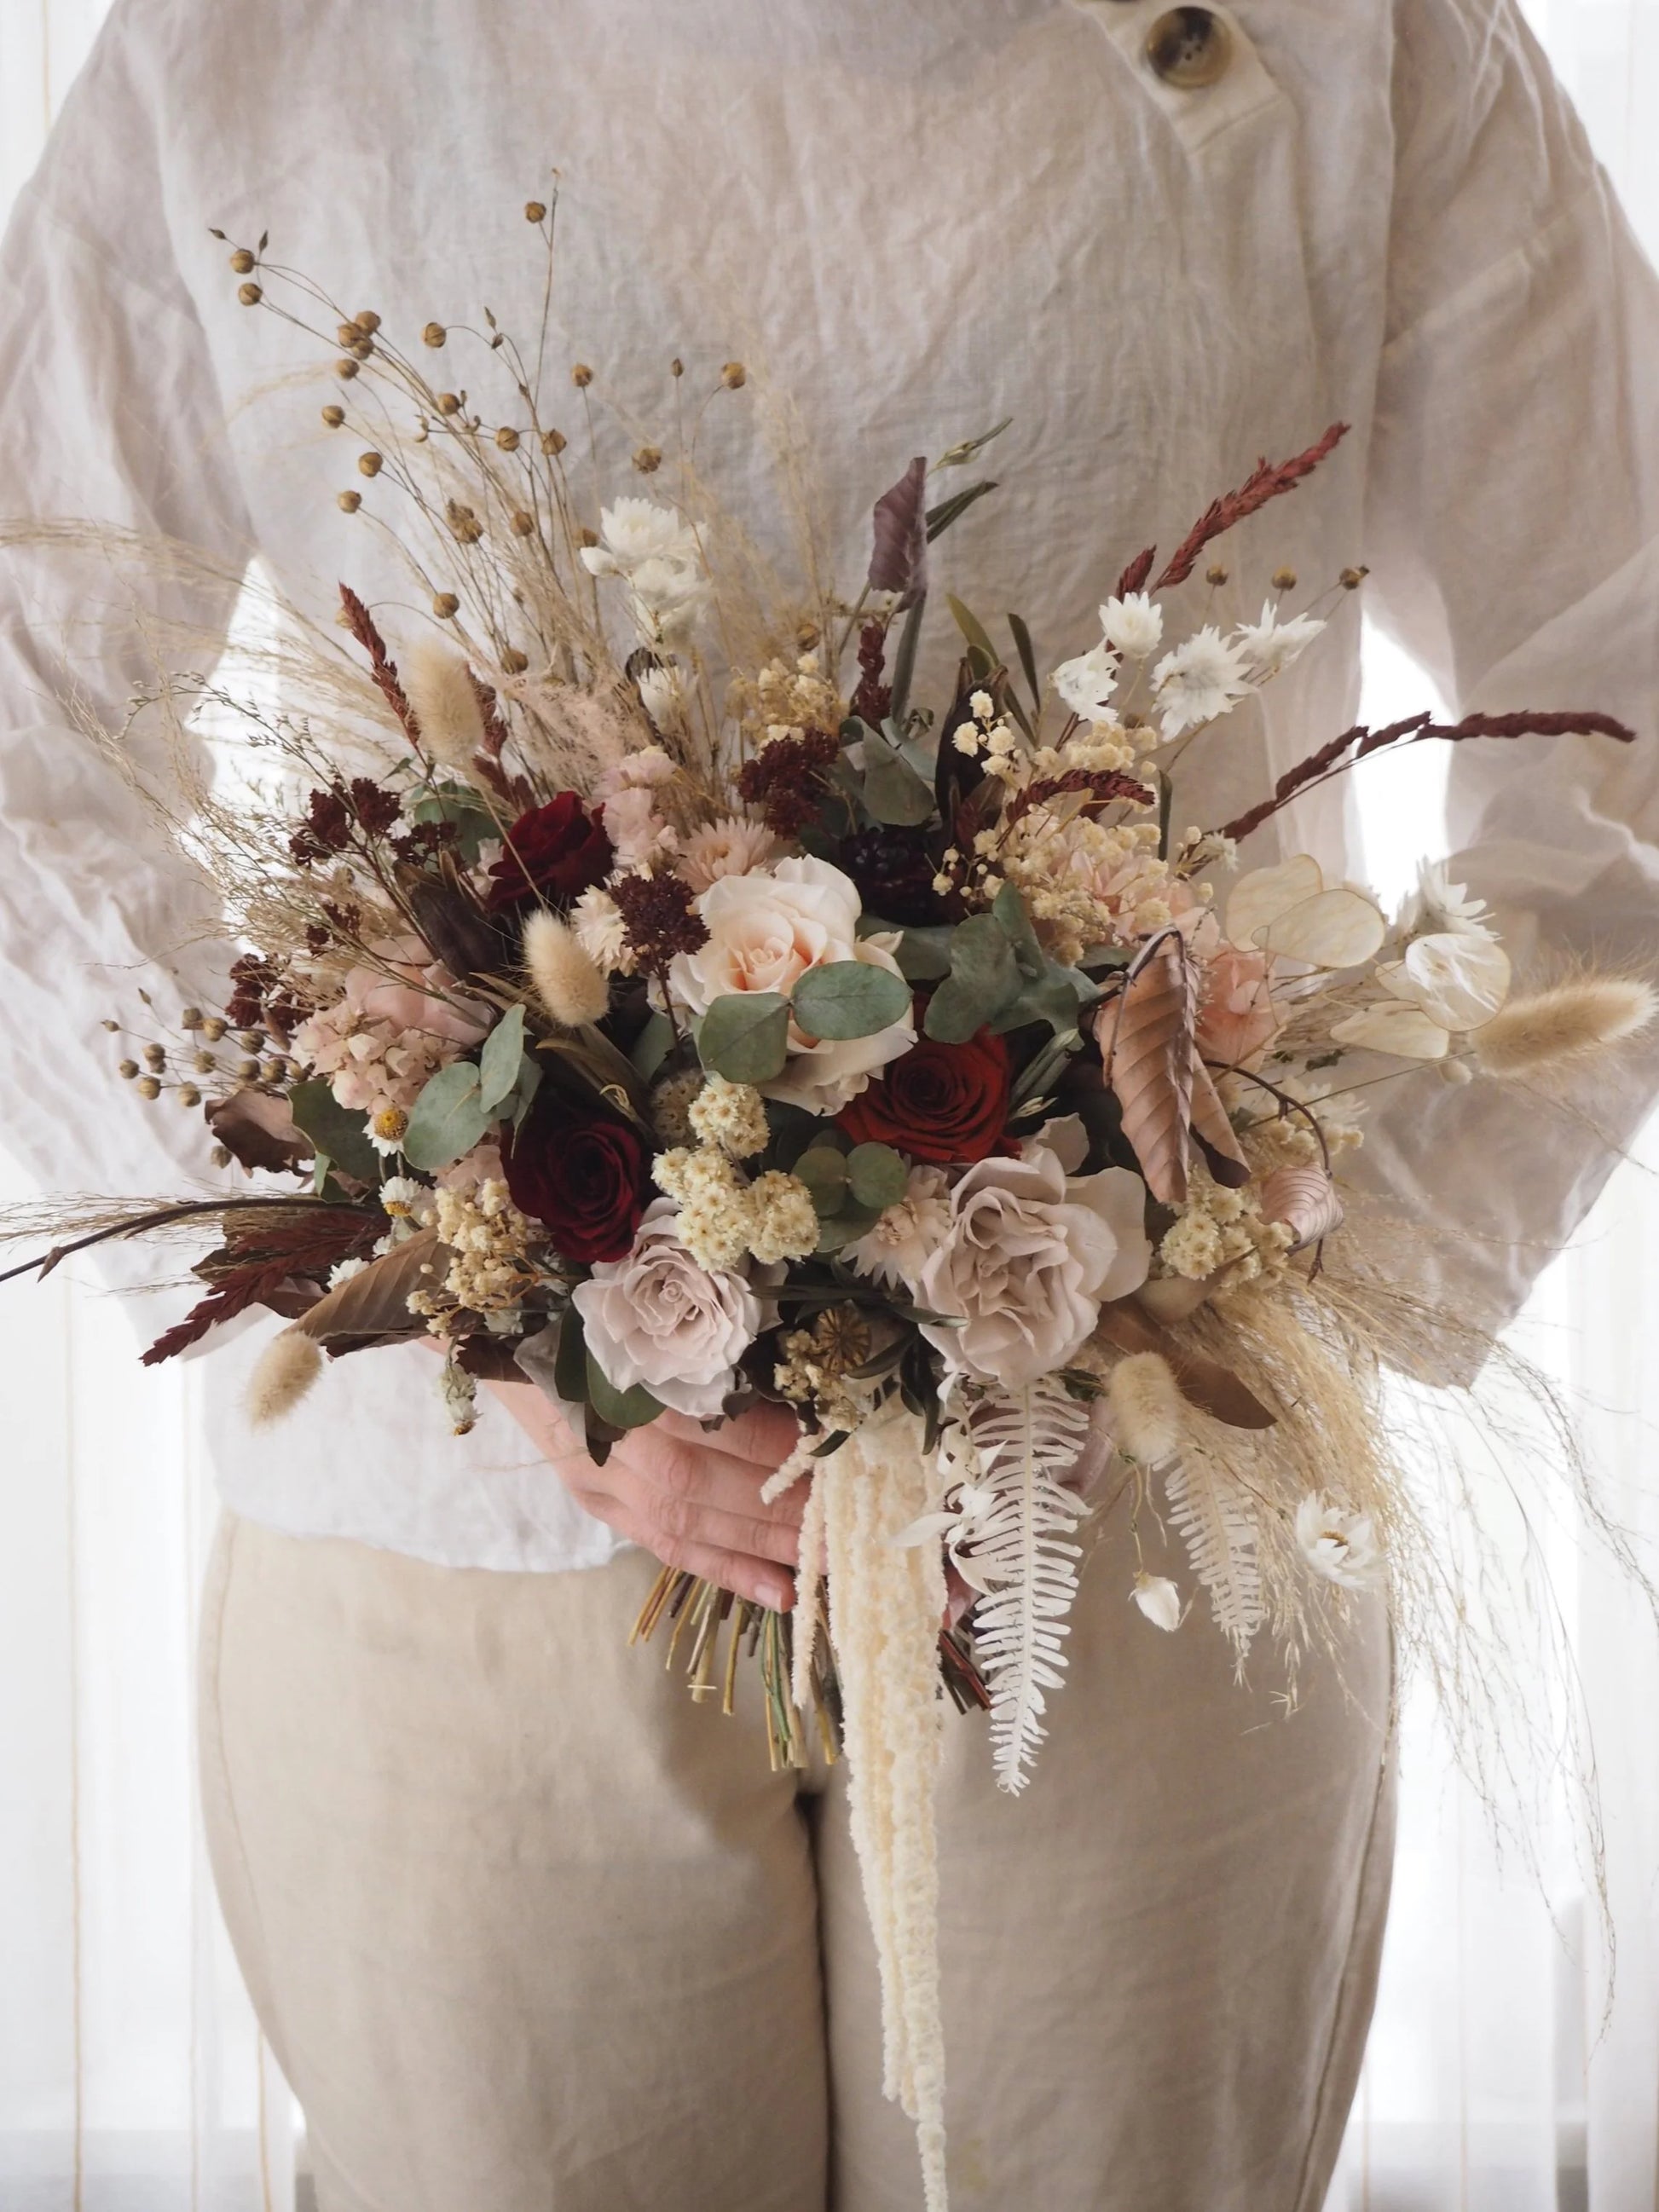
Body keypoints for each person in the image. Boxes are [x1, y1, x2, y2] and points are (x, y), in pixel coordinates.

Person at [3, 0, 1656, 2204]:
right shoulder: (255, 50)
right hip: (463, 1558)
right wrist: (446, 1298)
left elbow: (1626, 662)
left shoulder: (1354, 39)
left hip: (1129, 1521)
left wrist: (1303, 1257)